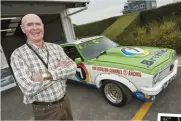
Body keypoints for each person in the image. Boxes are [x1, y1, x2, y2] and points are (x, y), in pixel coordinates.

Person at [10, 13, 77, 120]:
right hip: (44, 110)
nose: (35, 28)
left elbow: (73, 68)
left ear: (42, 26)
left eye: (38, 24)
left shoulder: (56, 48)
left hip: (65, 101)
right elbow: (28, 88)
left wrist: (46, 75)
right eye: (30, 25)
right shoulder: (18, 55)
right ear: (23, 29)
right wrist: (60, 72)